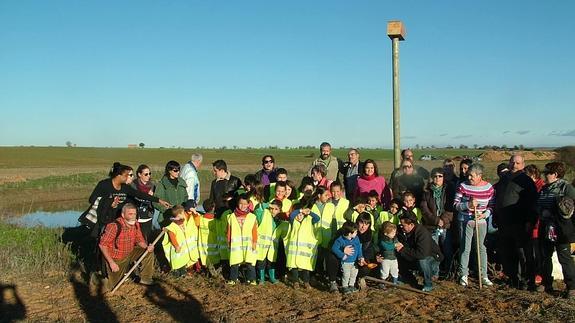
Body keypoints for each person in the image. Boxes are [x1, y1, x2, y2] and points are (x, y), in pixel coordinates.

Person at [79, 162, 169, 238]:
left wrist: (159, 200)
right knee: (101, 242)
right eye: (128, 175)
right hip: (102, 219)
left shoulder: (125, 187)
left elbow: (140, 195)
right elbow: (92, 199)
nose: (131, 177)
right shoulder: (104, 184)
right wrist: (110, 202)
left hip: (117, 220)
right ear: (119, 175)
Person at [495, 154, 538, 290]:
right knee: (508, 252)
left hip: (520, 223)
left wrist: (530, 221)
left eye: (518, 163)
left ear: (523, 165)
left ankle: (527, 280)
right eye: (512, 162)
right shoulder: (503, 180)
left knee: (523, 253)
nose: (514, 165)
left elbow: (532, 203)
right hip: (504, 222)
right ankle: (513, 278)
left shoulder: (526, 181)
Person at [536, 162, 575, 298]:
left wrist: (554, 213)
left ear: (555, 174)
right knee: (544, 256)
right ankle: (546, 282)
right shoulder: (544, 188)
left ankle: (571, 287)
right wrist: (541, 211)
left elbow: (570, 208)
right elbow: (538, 204)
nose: (544, 175)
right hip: (545, 227)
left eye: (547, 172)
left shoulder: (566, 188)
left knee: (564, 258)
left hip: (561, 228)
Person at [454, 163, 495, 287]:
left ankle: (484, 275)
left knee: (481, 248)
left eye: (472, 176)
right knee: (465, 248)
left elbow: (492, 206)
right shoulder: (463, 186)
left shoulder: (489, 188)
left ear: (479, 176)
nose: (469, 178)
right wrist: (468, 206)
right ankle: (463, 274)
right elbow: (455, 205)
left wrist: (485, 215)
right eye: (468, 176)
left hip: (481, 221)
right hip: (465, 221)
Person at [98, 203, 156, 290]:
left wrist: (146, 247)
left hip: (129, 253)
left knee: (148, 252)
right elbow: (102, 245)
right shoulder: (114, 226)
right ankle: (97, 277)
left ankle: (146, 279)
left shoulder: (136, 224)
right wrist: (111, 263)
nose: (133, 216)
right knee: (112, 287)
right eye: (130, 214)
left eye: (135, 214)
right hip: (116, 259)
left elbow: (139, 239)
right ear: (123, 215)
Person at [420, 167, 455, 279]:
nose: (437, 178)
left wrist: (443, 220)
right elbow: (424, 209)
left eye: (440, 176)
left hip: (445, 225)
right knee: (434, 250)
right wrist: (436, 220)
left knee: (447, 249)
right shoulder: (426, 191)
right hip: (431, 225)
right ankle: (434, 273)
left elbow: (451, 208)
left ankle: (448, 271)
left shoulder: (449, 190)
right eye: (435, 176)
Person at [396, 211, 441, 292]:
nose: (401, 227)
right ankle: (409, 279)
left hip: (432, 257)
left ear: (411, 225)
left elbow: (422, 254)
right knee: (397, 255)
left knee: (422, 260)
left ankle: (428, 283)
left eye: (403, 225)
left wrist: (403, 250)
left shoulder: (422, 233)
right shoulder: (402, 231)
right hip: (415, 254)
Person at [286, 200, 321, 289]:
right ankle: (295, 282)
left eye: (301, 214)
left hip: (305, 252)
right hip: (294, 252)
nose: (299, 216)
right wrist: (300, 210)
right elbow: (292, 215)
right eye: (298, 214)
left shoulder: (309, 221)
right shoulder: (293, 221)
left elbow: (317, 218)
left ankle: (306, 282)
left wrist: (309, 212)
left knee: (306, 268)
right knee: (294, 267)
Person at [226, 194, 258, 285]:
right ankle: (233, 279)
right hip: (236, 245)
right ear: (237, 204)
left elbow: (254, 231)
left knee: (250, 262)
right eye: (240, 204)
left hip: (249, 244)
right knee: (234, 262)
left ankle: (252, 279)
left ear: (248, 204)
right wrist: (228, 242)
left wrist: (254, 242)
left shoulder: (252, 217)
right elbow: (229, 231)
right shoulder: (231, 217)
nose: (243, 206)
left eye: (245, 204)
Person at [162, 204, 199, 277]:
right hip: (177, 252)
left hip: (183, 252)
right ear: (179, 214)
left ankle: (182, 274)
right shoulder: (172, 226)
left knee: (182, 265)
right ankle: (176, 275)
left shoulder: (181, 222)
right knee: (178, 266)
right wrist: (176, 246)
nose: (184, 214)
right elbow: (172, 236)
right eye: (183, 213)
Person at [331, 221, 365, 294]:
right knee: (346, 275)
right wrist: (342, 255)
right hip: (346, 262)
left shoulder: (356, 239)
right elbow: (334, 248)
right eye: (355, 232)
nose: (357, 233)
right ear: (350, 234)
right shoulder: (340, 240)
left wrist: (360, 257)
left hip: (354, 262)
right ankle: (345, 287)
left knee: (354, 274)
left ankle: (351, 285)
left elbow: (359, 248)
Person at [256, 199, 284, 284]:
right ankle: (261, 278)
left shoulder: (280, 220)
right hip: (262, 245)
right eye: (271, 208)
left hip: (272, 246)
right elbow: (258, 209)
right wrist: (268, 205)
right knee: (261, 261)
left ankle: (272, 277)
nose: (273, 211)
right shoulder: (264, 214)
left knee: (272, 261)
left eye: (276, 209)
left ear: (280, 210)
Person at [153, 161, 189, 227]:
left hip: (181, 217)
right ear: (169, 171)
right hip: (167, 218)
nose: (178, 172)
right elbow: (156, 201)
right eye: (175, 170)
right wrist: (166, 209)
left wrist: (185, 207)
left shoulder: (181, 182)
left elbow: (186, 197)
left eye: (179, 170)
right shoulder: (162, 184)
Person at [311, 186, 336, 278]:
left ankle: (323, 274)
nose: (328, 197)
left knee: (325, 256)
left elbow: (334, 221)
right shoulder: (312, 206)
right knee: (316, 257)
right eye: (325, 195)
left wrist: (334, 234)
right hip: (315, 236)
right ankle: (315, 274)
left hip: (327, 236)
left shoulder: (331, 206)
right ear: (319, 195)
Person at [130, 164, 156, 242]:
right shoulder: (133, 185)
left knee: (146, 239)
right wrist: (147, 196)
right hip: (135, 216)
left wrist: (153, 196)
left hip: (148, 216)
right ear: (139, 174)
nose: (148, 176)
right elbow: (135, 198)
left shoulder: (152, 186)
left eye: (149, 174)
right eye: (146, 174)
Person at [197, 199, 220, 275]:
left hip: (203, 248)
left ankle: (208, 270)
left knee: (207, 262)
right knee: (214, 263)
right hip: (214, 248)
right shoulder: (215, 221)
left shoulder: (200, 219)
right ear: (213, 208)